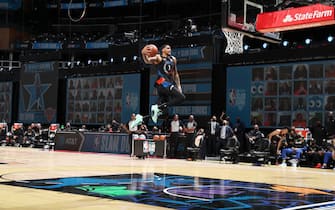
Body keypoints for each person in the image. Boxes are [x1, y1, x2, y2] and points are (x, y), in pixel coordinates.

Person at [140, 44, 186, 125]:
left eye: (170, 48)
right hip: (163, 82)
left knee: (164, 111)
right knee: (181, 98)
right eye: (168, 48)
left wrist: (179, 86)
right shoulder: (159, 57)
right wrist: (143, 53)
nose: (170, 49)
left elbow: (176, 74)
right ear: (162, 50)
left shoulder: (173, 59)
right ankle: (157, 107)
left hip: (167, 83)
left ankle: (142, 118)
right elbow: (147, 61)